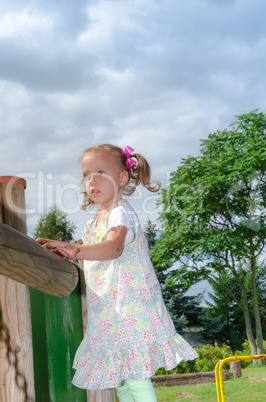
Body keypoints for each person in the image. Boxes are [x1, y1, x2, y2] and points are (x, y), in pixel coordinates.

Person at [37, 144, 198, 401]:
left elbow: (112, 248)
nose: (92, 180)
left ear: (122, 177)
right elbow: (88, 251)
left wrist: (75, 250)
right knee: (121, 380)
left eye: (101, 171)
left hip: (129, 310)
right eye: (87, 174)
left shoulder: (121, 213)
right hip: (110, 313)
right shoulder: (95, 222)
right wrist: (59, 249)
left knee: (134, 377)